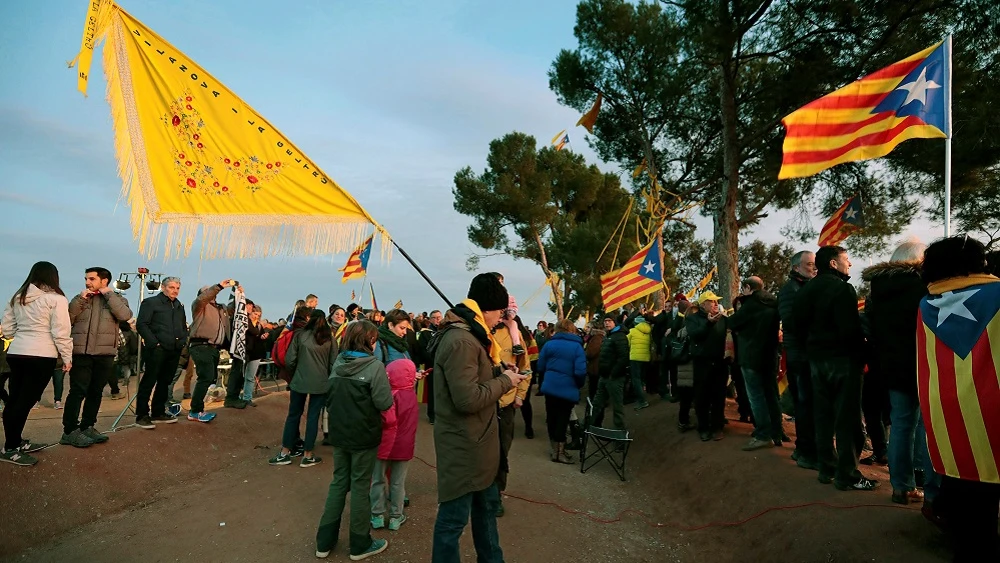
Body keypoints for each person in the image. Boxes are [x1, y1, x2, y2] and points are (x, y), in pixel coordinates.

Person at [427, 273, 528, 563]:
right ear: (485, 309)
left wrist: (498, 372)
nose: (501, 319)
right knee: (453, 521)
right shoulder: (462, 341)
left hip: (480, 446)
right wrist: (506, 381)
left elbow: (472, 379)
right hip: (465, 447)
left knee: (485, 515)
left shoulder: (471, 336)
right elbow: (467, 399)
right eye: (499, 312)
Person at [918, 235, 1000, 561]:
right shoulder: (997, 294)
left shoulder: (926, 305)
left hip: (949, 411)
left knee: (964, 488)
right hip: (992, 409)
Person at [862, 241, 937, 507]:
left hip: (892, 368)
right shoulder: (924, 287)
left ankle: (901, 487)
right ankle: (931, 492)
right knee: (929, 429)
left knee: (901, 425)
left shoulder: (878, 289)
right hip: (923, 365)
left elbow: (868, 328)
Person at [794, 246, 875, 491]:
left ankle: (826, 468)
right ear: (832, 263)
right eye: (846, 260)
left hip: (817, 362)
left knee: (823, 417)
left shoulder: (806, 290)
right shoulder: (843, 289)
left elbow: (796, 326)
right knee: (848, 420)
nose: (849, 264)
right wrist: (861, 357)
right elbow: (849, 331)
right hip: (843, 362)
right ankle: (847, 474)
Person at [315, 320, 393, 560]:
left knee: (339, 483)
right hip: (364, 435)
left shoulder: (338, 363)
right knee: (360, 486)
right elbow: (384, 403)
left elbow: (330, 395)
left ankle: (324, 542)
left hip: (340, 433)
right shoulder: (374, 367)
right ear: (369, 341)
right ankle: (359, 544)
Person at [0, 261, 73, 466]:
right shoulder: (56, 299)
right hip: (41, 354)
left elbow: (6, 329)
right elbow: (61, 332)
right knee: (25, 402)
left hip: (17, 353)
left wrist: (22, 335)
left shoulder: (18, 297)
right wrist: (67, 357)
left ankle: (15, 441)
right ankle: (11, 447)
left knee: (15, 400)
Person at [61, 267, 133, 448]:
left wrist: (109, 295)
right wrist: (79, 300)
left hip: (104, 353)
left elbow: (125, 315)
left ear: (104, 281)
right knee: (78, 391)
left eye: (92, 279)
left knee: (96, 391)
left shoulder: (117, 299)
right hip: (82, 352)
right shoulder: (80, 299)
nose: (87, 282)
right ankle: (69, 431)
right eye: (86, 278)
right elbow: (66, 319)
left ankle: (88, 426)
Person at [269, 310, 337, 467]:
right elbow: (333, 363)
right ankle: (308, 454)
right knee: (313, 417)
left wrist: (295, 373)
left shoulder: (300, 335)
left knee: (293, 415)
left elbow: (290, 359)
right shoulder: (330, 339)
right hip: (321, 382)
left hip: (299, 380)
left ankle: (285, 452)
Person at [727, 276, 782, 451]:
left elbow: (732, 323)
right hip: (770, 355)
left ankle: (763, 434)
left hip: (751, 356)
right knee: (772, 395)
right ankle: (777, 431)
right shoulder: (775, 302)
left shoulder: (749, 304)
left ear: (747, 287)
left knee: (756, 397)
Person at [778, 250, 818, 470]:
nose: (814, 267)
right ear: (796, 268)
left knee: (807, 404)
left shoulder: (805, 287)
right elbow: (791, 322)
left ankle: (803, 448)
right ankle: (805, 451)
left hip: (805, 355)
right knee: (804, 404)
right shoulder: (789, 290)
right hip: (799, 356)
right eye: (810, 264)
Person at [370, 358, 419, 531]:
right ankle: (395, 518)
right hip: (404, 446)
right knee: (398, 483)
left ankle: (377, 515)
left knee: (377, 479)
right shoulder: (411, 394)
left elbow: (388, 420)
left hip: (384, 444)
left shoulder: (390, 394)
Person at [134, 276, 187, 429]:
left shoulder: (178, 305)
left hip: (174, 350)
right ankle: (142, 415)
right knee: (149, 382)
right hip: (156, 350)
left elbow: (183, 326)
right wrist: (154, 343)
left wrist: (182, 341)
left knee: (165, 382)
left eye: (177, 288)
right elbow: (142, 324)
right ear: (163, 288)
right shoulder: (151, 303)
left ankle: (158, 412)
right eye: (171, 287)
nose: (175, 291)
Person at [492, 318, 531, 516]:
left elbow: (526, 368)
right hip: (482, 403)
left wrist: (519, 395)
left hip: (506, 405)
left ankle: (496, 494)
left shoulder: (515, 335)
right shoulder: (479, 330)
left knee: (501, 452)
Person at [186, 280, 237, 422]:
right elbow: (203, 298)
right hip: (201, 345)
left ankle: (197, 409)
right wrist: (219, 286)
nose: (212, 294)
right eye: (208, 291)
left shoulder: (220, 309)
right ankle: (195, 410)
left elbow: (232, 309)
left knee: (210, 378)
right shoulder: (199, 306)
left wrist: (238, 294)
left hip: (214, 348)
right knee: (205, 377)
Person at [537, 319, 587, 464]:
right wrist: (578, 385)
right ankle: (560, 452)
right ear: (572, 329)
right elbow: (580, 371)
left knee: (551, 417)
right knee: (563, 419)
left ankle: (555, 450)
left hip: (551, 386)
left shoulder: (549, 344)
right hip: (568, 387)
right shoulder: (577, 347)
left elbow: (540, 366)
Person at [686, 291, 729, 442]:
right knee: (702, 396)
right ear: (703, 304)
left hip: (720, 363)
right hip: (701, 363)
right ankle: (703, 427)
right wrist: (709, 323)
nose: (716, 304)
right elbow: (695, 335)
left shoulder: (723, 319)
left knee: (719, 396)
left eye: (717, 301)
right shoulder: (692, 319)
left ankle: (717, 427)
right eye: (712, 301)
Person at [591, 314, 630, 430]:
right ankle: (588, 428)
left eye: (609, 321)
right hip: (604, 377)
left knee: (617, 408)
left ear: (615, 323)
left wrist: (614, 373)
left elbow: (623, 357)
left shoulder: (619, 336)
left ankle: (620, 436)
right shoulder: (608, 336)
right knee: (597, 404)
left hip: (615, 378)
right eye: (605, 321)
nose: (606, 323)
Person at [672, 300, 696, 432]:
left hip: (682, 369)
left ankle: (683, 422)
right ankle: (686, 421)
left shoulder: (681, 331)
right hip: (691, 368)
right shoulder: (692, 330)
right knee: (691, 397)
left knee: (685, 399)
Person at [241, 305, 270, 405]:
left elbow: (258, 339)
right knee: (240, 375)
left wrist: (263, 337)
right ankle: (237, 396)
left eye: (258, 315)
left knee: (250, 376)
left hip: (256, 353)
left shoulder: (259, 325)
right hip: (245, 352)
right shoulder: (245, 323)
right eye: (255, 314)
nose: (256, 316)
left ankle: (247, 397)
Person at [492, 273, 524, 356]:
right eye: (498, 281)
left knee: (513, 323)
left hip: (503, 318)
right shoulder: (485, 295)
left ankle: (516, 345)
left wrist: (510, 312)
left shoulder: (508, 297)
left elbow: (512, 306)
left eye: (502, 281)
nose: (501, 283)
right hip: (490, 317)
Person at [627, 315, 653, 410]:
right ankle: (641, 397)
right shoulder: (649, 331)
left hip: (635, 358)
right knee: (641, 380)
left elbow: (626, 343)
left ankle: (642, 401)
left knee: (636, 380)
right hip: (645, 358)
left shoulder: (632, 331)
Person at [584, 320, 605, 401]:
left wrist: (585, 352)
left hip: (595, 368)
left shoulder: (596, 338)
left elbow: (590, 353)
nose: (586, 329)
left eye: (588, 327)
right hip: (595, 367)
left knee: (594, 388)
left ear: (593, 328)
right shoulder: (594, 337)